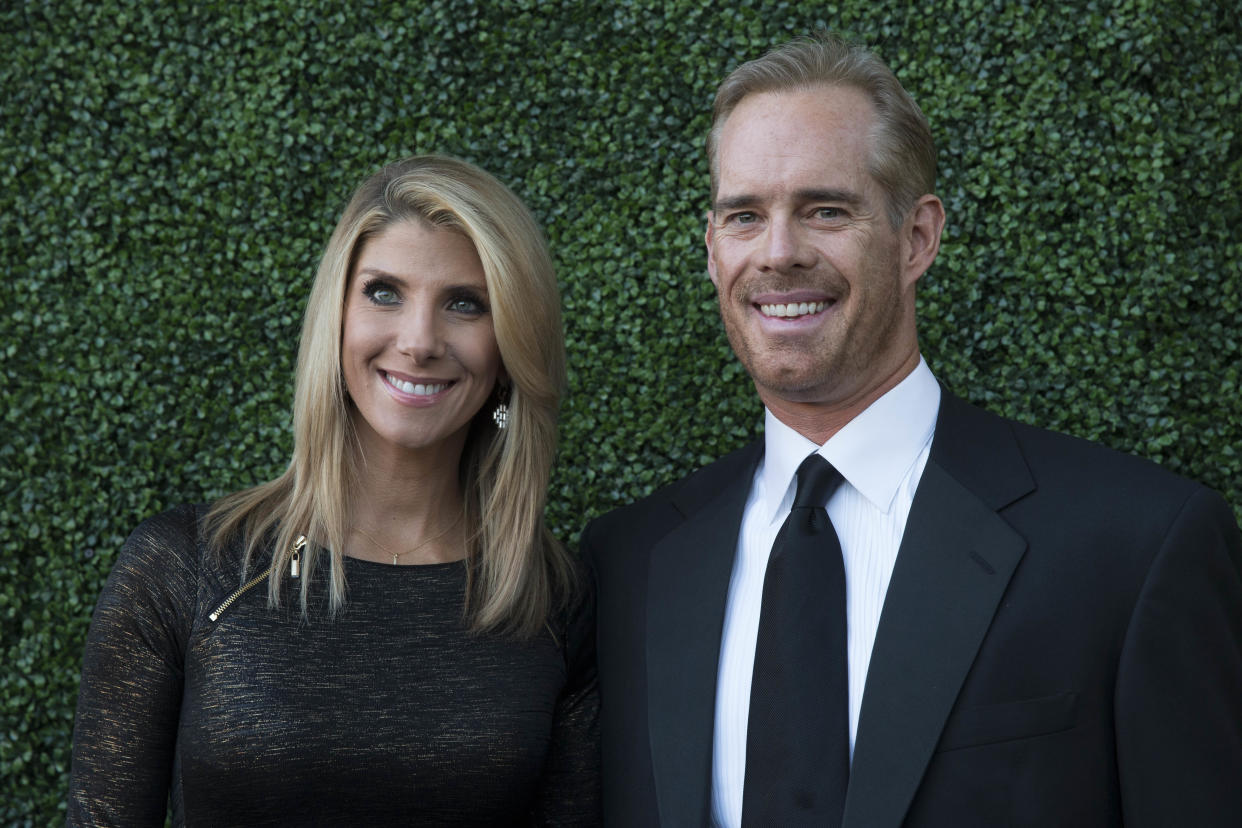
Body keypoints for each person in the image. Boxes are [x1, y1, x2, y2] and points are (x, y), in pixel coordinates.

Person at [580, 33, 1242, 827]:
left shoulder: (1137, 546)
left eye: (826, 210)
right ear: (714, 249)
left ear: (917, 237)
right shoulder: (630, 565)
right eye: (745, 216)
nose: (779, 252)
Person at [68, 155, 599, 825]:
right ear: (336, 318)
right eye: (384, 292)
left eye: (466, 304)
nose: (418, 341)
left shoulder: (551, 600)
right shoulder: (186, 567)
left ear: (510, 352)